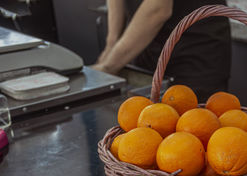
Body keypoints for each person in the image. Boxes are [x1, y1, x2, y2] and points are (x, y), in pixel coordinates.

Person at [92, 0, 231, 102]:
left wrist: (108, 66)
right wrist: (110, 47)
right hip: (148, 43)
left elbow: (158, 9)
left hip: (194, 49)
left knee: (193, 130)